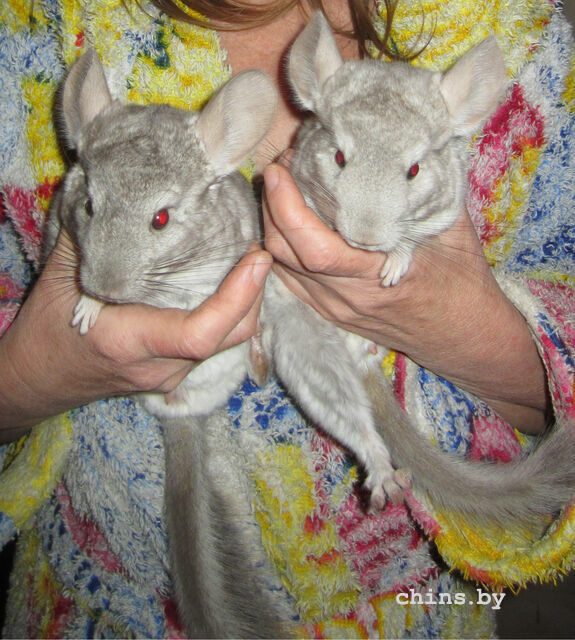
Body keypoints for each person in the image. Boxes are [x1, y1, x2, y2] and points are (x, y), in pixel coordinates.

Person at [0, 0, 573, 636]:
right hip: (100, 606)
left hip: (413, 608)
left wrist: (465, 327)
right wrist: (38, 370)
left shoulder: (517, 41)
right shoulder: (35, 31)